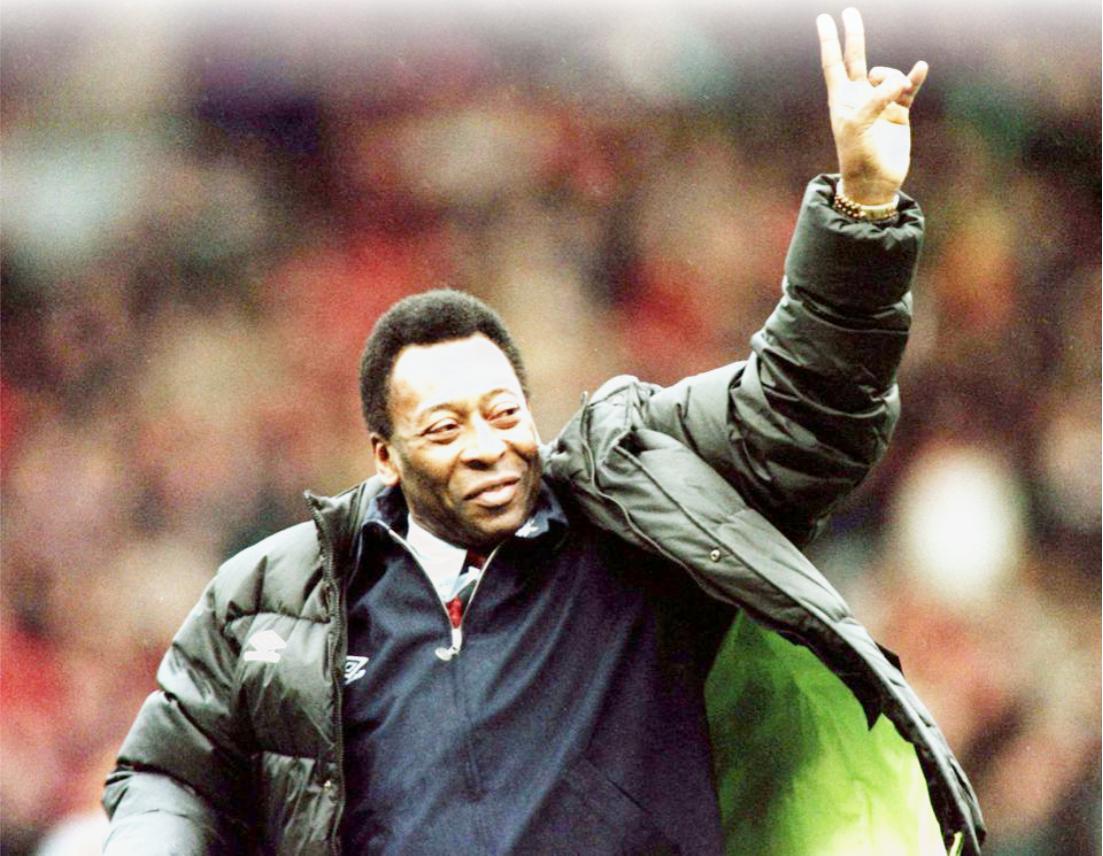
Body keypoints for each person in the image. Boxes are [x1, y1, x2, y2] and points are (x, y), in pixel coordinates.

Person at [103, 9, 984, 855]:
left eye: (502, 412)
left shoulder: (637, 502)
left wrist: (862, 208)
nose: (487, 445)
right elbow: (170, 775)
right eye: (444, 428)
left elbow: (801, 411)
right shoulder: (274, 596)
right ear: (384, 456)